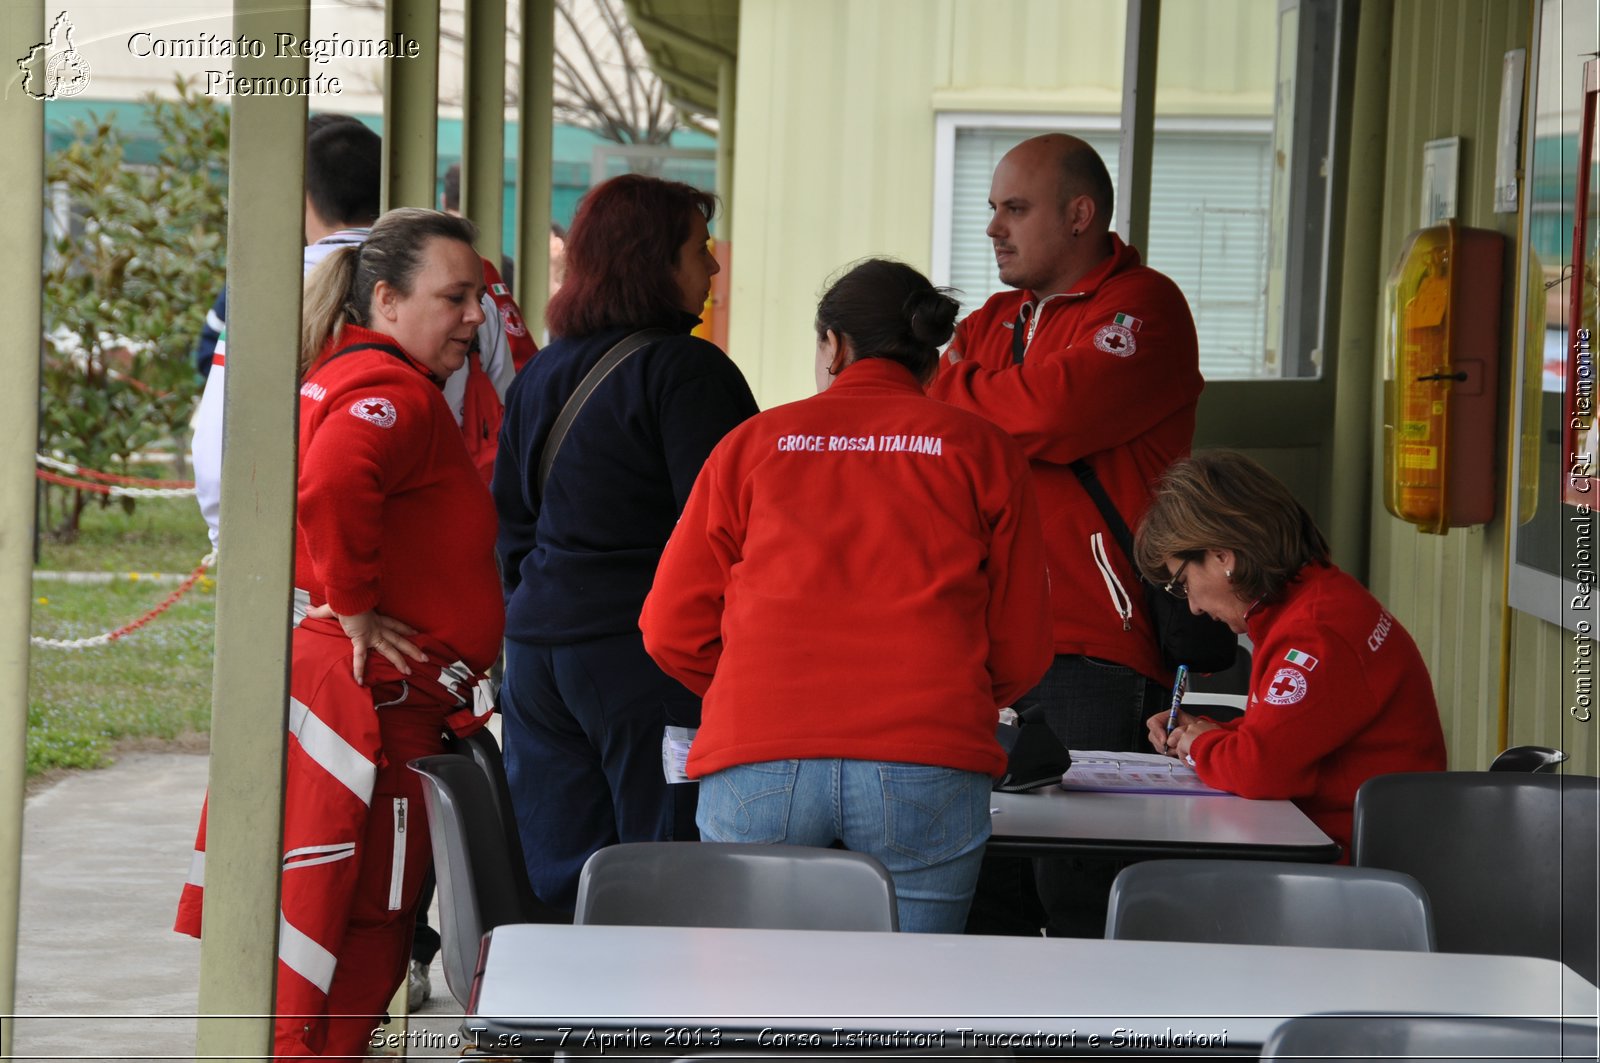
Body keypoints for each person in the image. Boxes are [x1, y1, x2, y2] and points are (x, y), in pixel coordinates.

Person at [176, 208, 505, 1058]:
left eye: (479, 296)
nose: (478, 316)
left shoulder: (342, 372)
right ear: (388, 300)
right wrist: (355, 604)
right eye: (457, 296)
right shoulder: (391, 388)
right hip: (374, 713)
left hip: (354, 701)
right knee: (360, 926)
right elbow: (333, 481)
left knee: (313, 924)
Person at [639, 259, 1052, 932]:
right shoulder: (982, 450)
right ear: (931, 351)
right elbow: (1022, 645)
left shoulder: (751, 446)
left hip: (758, 754)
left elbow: (669, 628)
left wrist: (759, 680)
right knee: (909, 1003)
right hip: (927, 756)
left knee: (757, 1002)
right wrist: (953, 687)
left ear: (834, 344)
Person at [927, 132, 1202, 935]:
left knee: (1082, 897)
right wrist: (987, 398)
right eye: (992, 209)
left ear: (1080, 215)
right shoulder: (990, 321)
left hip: (1095, 646)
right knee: (979, 888)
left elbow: (1047, 416)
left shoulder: (1145, 307)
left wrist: (971, 393)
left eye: (1015, 209)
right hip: (979, 645)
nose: (993, 229)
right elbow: (942, 430)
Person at [492, 174, 758, 914]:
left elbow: (511, 523)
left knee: (560, 874)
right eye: (698, 249)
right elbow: (728, 534)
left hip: (538, 656)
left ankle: (558, 1023)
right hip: (643, 663)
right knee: (663, 874)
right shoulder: (689, 371)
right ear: (654, 261)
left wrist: (544, 607)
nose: (712, 268)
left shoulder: (542, 370)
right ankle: (651, 1030)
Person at [192, 120, 517, 548]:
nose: (469, 313)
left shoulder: (271, 295)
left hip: (305, 562)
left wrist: (237, 552)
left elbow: (219, 453)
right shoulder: (472, 294)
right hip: (438, 553)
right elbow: (511, 423)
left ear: (304, 197)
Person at [1135, 451, 1447, 855]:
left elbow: (1261, 770)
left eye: (1182, 582)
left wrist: (1200, 746)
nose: (1191, 605)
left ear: (1221, 556)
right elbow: (1298, 737)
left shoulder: (1314, 633)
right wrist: (1204, 733)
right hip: (1357, 847)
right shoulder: (1316, 602)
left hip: (1352, 867)